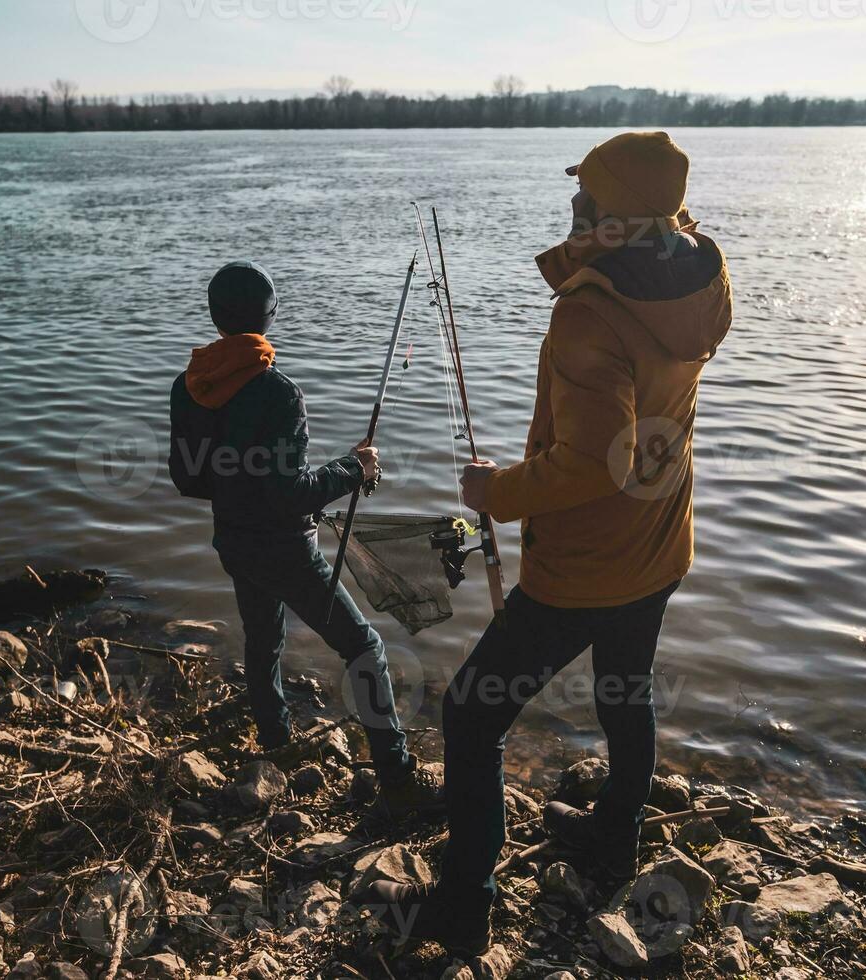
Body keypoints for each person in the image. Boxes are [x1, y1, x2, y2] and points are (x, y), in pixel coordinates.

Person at [359, 132, 734, 951]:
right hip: (662, 546)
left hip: (584, 569)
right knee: (624, 692)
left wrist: (496, 493)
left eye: (584, 199)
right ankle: (613, 836)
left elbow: (599, 463)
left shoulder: (590, 312)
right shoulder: (699, 274)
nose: (571, 208)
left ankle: (465, 906)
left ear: (609, 216)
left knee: (469, 718)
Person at [168, 260, 443, 817]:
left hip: (234, 543)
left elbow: (187, 478)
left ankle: (275, 744)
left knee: (263, 640)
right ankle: (397, 779)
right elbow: (293, 495)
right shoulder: (278, 393)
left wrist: (239, 485)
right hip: (288, 550)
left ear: (215, 316)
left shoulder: (191, 384)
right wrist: (354, 469)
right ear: (270, 318)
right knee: (364, 648)